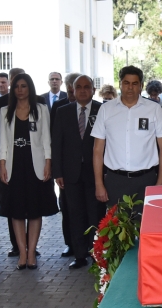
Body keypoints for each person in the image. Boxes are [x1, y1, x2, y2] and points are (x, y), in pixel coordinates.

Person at [0, 74, 56, 270]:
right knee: (16, 211)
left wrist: (48, 162)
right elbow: (3, 142)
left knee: (34, 210)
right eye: (17, 87)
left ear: (30, 88)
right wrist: (2, 164)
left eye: (24, 86)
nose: (20, 90)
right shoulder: (5, 111)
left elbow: (47, 138)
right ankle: (22, 253)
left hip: (36, 166)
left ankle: (32, 252)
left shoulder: (40, 109)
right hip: (14, 165)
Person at [92, 66, 162, 206]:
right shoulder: (106, 109)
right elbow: (97, 150)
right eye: (126, 83)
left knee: (146, 226)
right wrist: (99, 183)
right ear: (120, 84)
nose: (130, 87)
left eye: (135, 84)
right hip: (115, 181)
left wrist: (161, 180)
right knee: (116, 226)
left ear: (141, 86)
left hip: (147, 180)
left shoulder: (154, 109)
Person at [52, 75, 104, 269]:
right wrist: (58, 172)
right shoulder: (63, 111)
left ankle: (96, 253)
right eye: (78, 87)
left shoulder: (102, 110)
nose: (82, 90)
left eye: (87, 87)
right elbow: (56, 143)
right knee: (75, 214)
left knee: (95, 214)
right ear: (72, 90)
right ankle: (80, 254)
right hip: (70, 173)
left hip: (95, 173)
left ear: (93, 90)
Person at [0, 67, 28, 257]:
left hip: (29, 162)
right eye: (14, 81)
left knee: (30, 205)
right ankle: (17, 245)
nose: (17, 86)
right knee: (10, 203)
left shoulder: (36, 103)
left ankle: (30, 245)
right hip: (6, 162)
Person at [51, 72, 82, 258]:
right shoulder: (59, 107)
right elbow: (55, 140)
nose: (72, 96)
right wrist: (57, 171)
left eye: (74, 91)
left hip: (86, 169)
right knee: (68, 208)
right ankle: (70, 243)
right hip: (66, 170)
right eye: (69, 92)